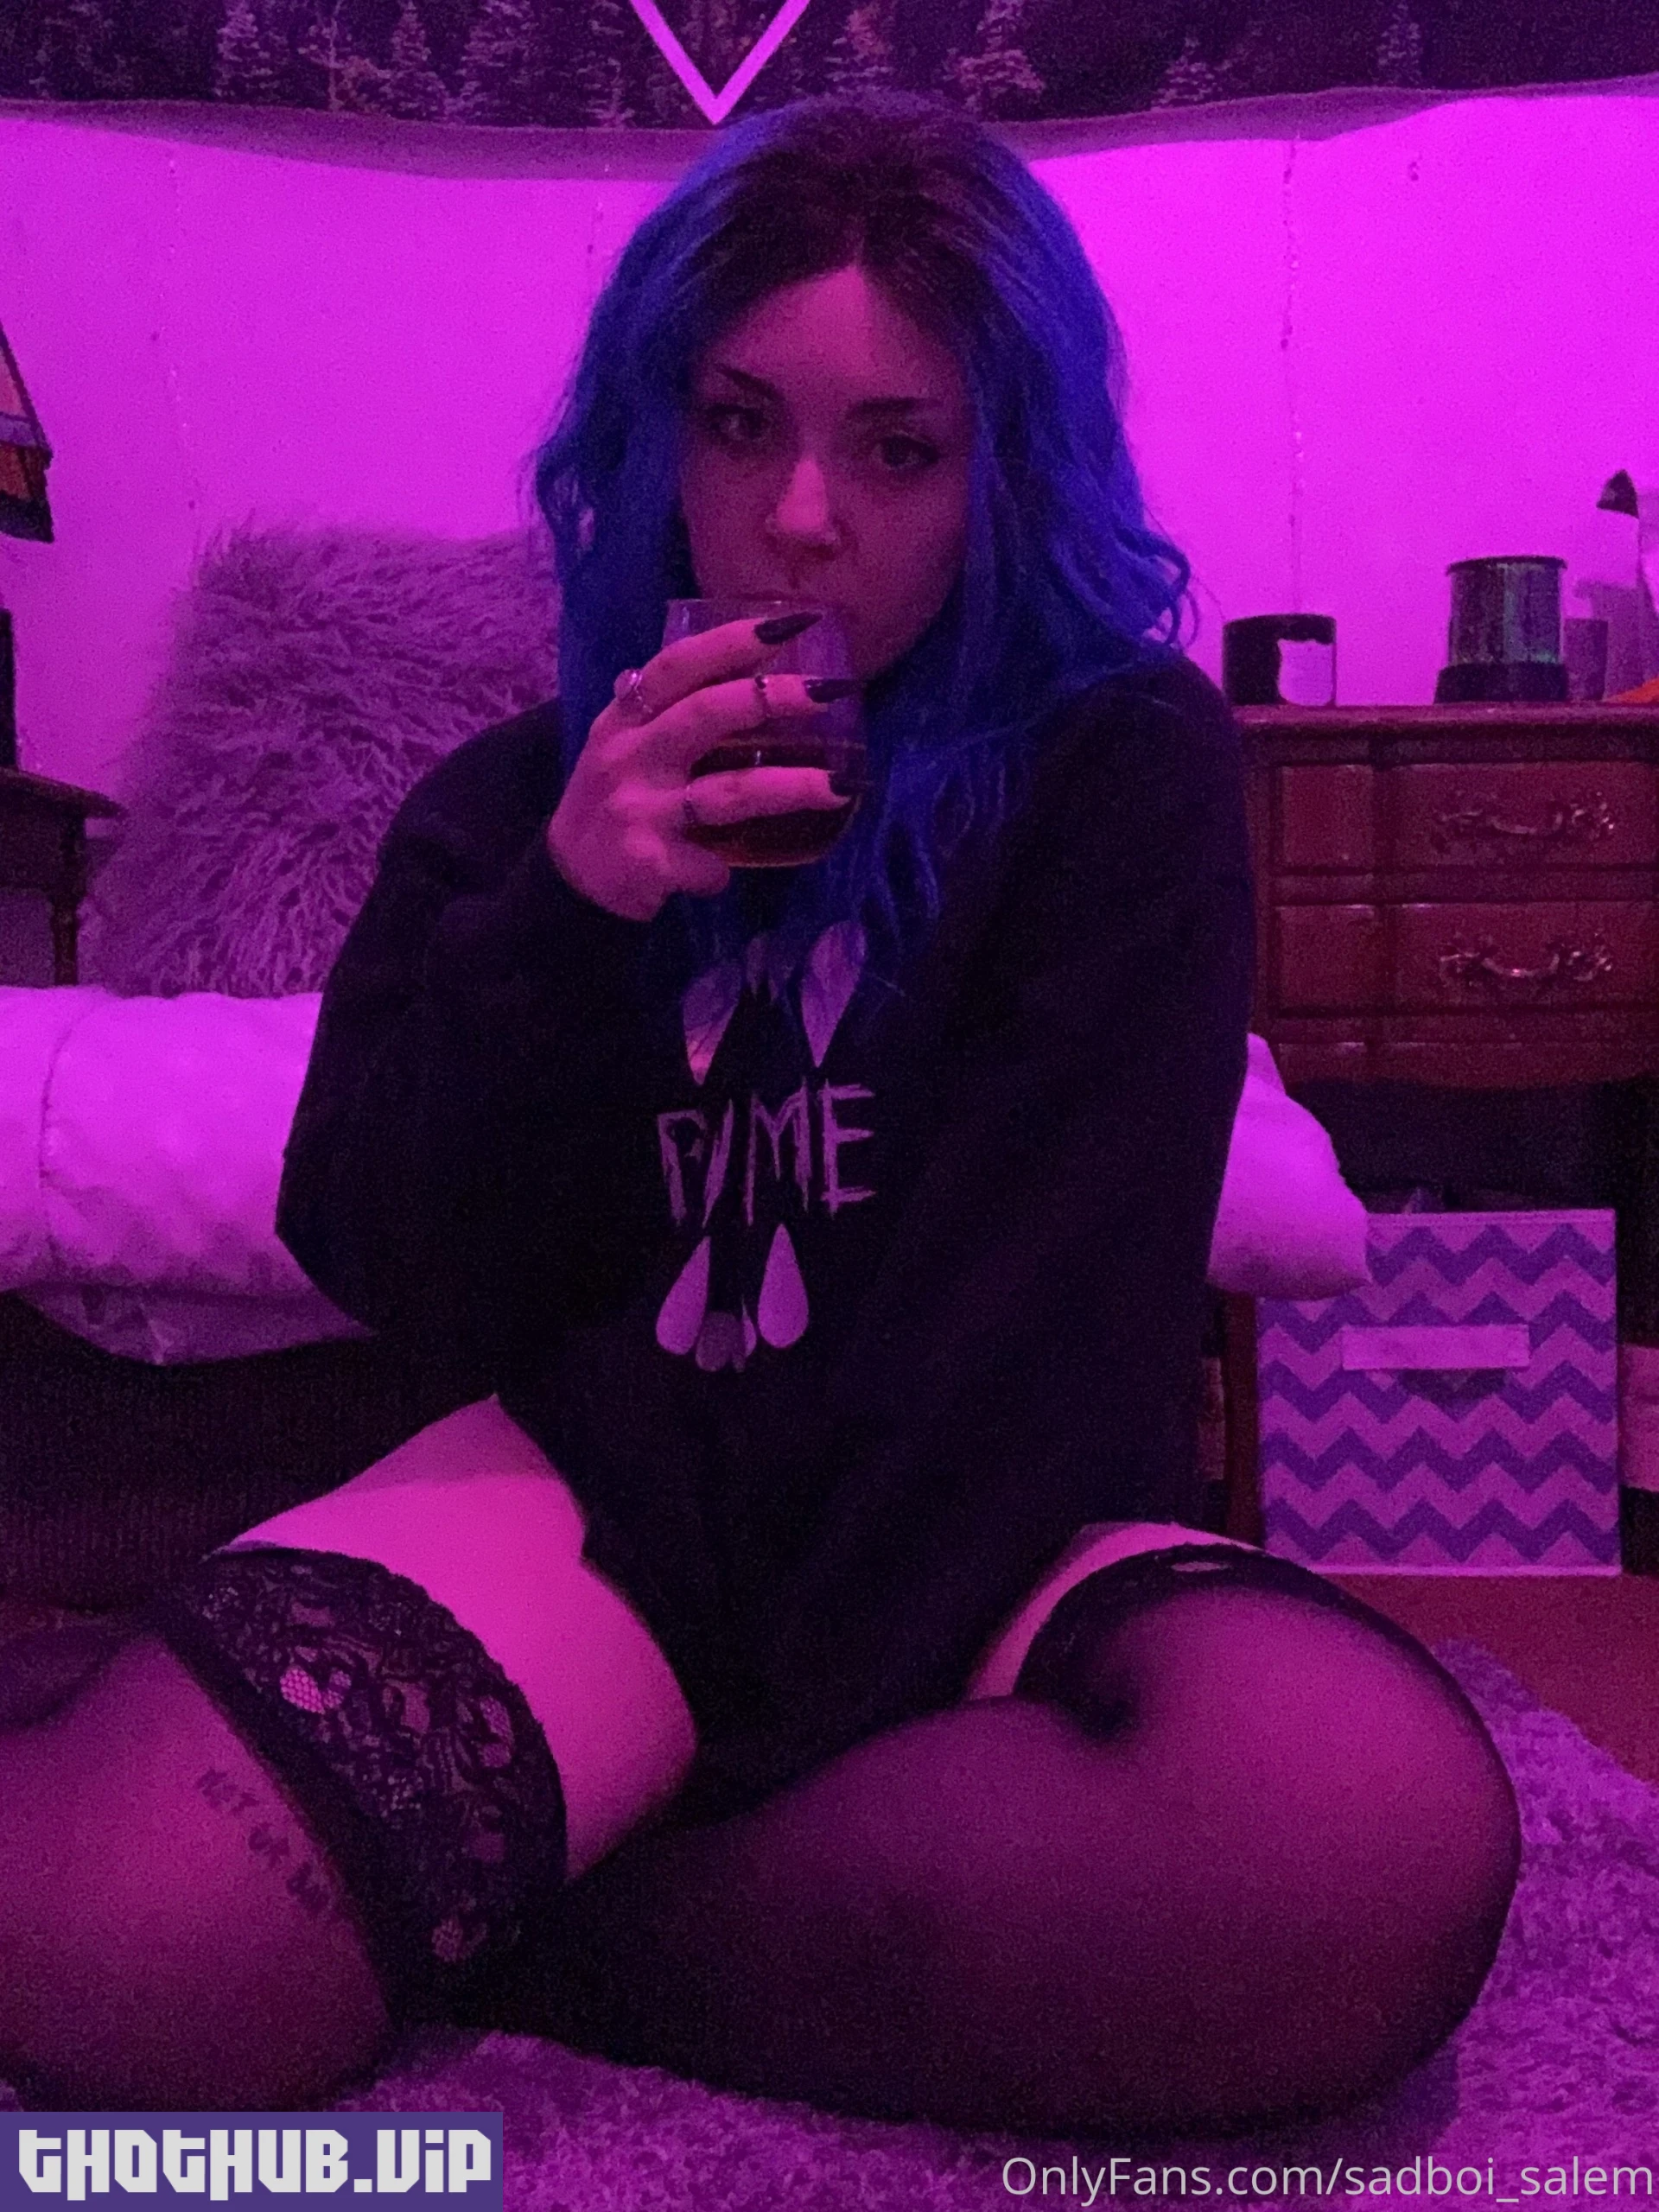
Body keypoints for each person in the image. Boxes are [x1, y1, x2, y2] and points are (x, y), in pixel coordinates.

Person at [0, 88, 1520, 2134]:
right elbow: (390, 1252)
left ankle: (564, 1921)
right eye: (739, 426)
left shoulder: (1117, 772)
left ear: (1000, 474)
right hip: (599, 1511)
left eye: (897, 449)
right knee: (135, 1949)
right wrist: (570, 917)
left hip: (980, 1529)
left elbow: (1048, 1334)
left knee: (1355, 1831)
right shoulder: (505, 813)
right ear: (656, 438)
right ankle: (644, 1877)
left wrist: (744, 1731)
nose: (802, 516)